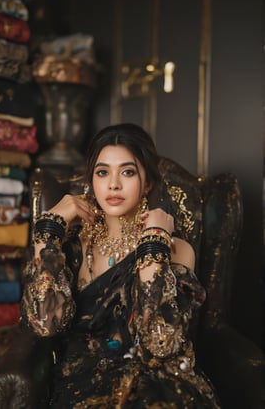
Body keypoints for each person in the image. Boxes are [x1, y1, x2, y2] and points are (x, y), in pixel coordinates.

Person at [21, 123, 221, 408]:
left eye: (127, 172)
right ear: (92, 180)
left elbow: (160, 342)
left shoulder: (174, 248)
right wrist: (48, 228)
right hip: (84, 383)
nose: (113, 184)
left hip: (157, 383)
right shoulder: (72, 247)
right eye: (102, 172)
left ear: (147, 182)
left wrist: (154, 242)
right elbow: (45, 322)